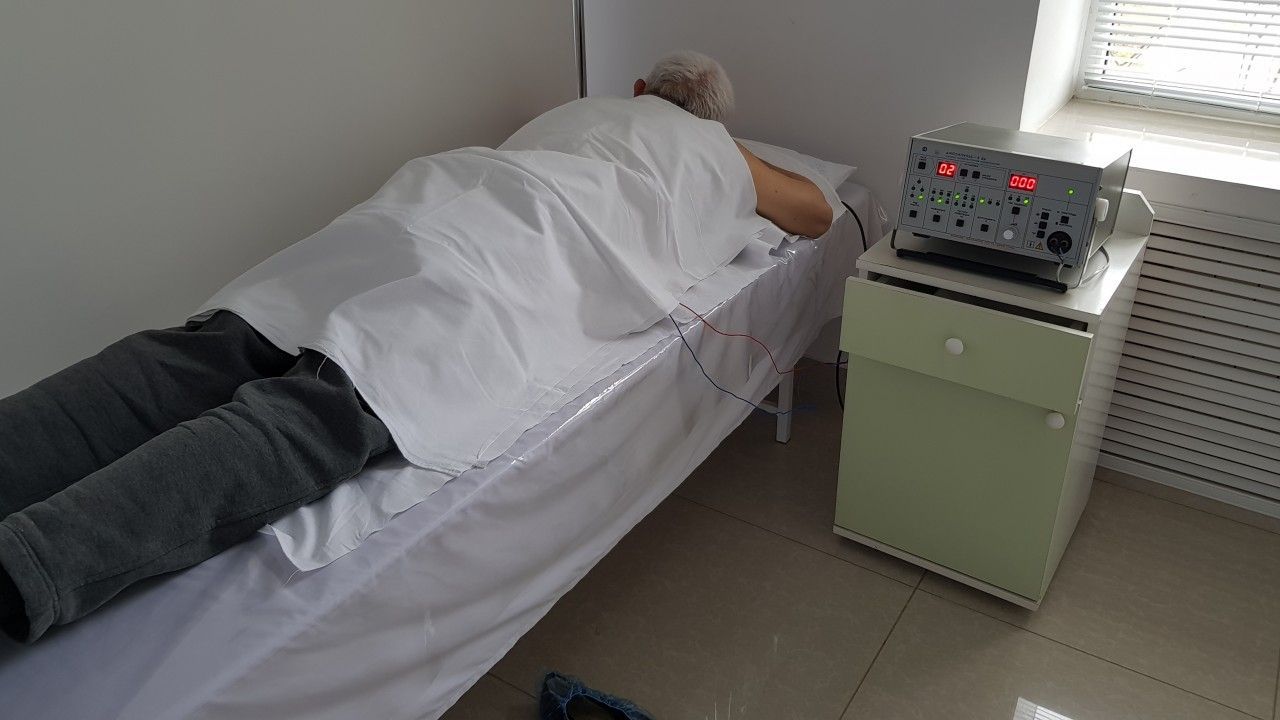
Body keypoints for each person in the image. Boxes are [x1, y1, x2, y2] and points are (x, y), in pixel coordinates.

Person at [0, 51, 832, 643]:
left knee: (206, 351)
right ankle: (29, 566)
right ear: (710, 119)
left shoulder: (578, 112)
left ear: (641, 89)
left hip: (424, 204)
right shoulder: (717, 149)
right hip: (515, 256)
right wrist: (726, 146)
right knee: (325, 408)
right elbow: (814, 212)